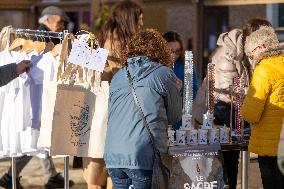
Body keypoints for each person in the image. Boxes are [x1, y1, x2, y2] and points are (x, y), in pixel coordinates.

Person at [192, 18, 272, 189]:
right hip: (218, 113)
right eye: (264, 40)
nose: (267, 46)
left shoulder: (252, 51)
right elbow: (226, 93)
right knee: (227, 163)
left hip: (237, 111)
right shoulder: (227, 53)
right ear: (253, 39)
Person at [0, 6, 74, 189]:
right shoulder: (41, 43)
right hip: (32, 107)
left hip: (29, 108)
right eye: (60, 21)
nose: (63, 25)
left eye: (64, 22)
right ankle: (11, 176)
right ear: (47, 21)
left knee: (37, 142)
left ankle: (51, 175)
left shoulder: (49, 42)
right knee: (34, 142)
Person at [104, 28, 182, 189]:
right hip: (144, 155)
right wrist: (178, 91)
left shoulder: (118, 76)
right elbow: (175, 116)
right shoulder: (164, 74)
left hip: (113, 155)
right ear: (161, 50)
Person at [82, 1, 143, 189]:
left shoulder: (107, 38)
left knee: (104, 168)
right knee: (108, 169)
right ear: (128, 18)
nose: (141, 24)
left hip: (105, 112)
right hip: (111, 112)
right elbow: (122, 77)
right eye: (139, 19)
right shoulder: (116, 42)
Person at [241, 25, 284, 189]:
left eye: (252, 54)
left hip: (270, 146)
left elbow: (251, 114)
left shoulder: (264, 68)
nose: (252, 59)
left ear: (262, 47)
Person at [163, 31, 198, 98]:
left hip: (181, 106)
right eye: (170, 51)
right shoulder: (156, 64)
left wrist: (181, 89)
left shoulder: (187, 65)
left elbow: (194, 93)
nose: (174, 55)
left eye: (177, 51)